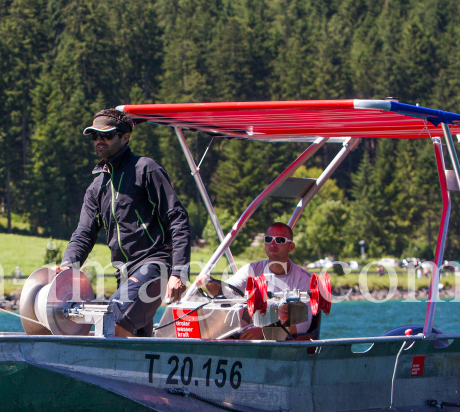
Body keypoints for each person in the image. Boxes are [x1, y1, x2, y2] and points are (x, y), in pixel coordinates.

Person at [58, 108, 191, 337]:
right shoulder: (96, 187)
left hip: (154, 266)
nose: (100, 140)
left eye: (107, 135)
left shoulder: (146, 169)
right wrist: (67, 266)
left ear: (125, 137)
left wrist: (179, 272)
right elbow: (83, 233)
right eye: (95, 136)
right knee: (138, 341)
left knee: (112, 318)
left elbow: (177, 218)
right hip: (124, 275)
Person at [194, 222, 314, 340]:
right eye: (268, 239)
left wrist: (264, 331)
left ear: (291, 247)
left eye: (280, 240)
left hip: (280, 343)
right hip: (247, 338)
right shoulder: (251, 270)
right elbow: (225, 293)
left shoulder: (304, 279)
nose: (273, 244)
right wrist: (208, 281)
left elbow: (302, 324)